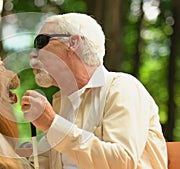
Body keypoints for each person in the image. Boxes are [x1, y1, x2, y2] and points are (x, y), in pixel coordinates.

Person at [20, 13, 167, 169]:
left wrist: (52, 124)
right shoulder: (64, 103)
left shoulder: (123, 87)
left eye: (41, 42)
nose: (33, 53)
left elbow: (122, 162)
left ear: (72, 42)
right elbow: (38, 165)